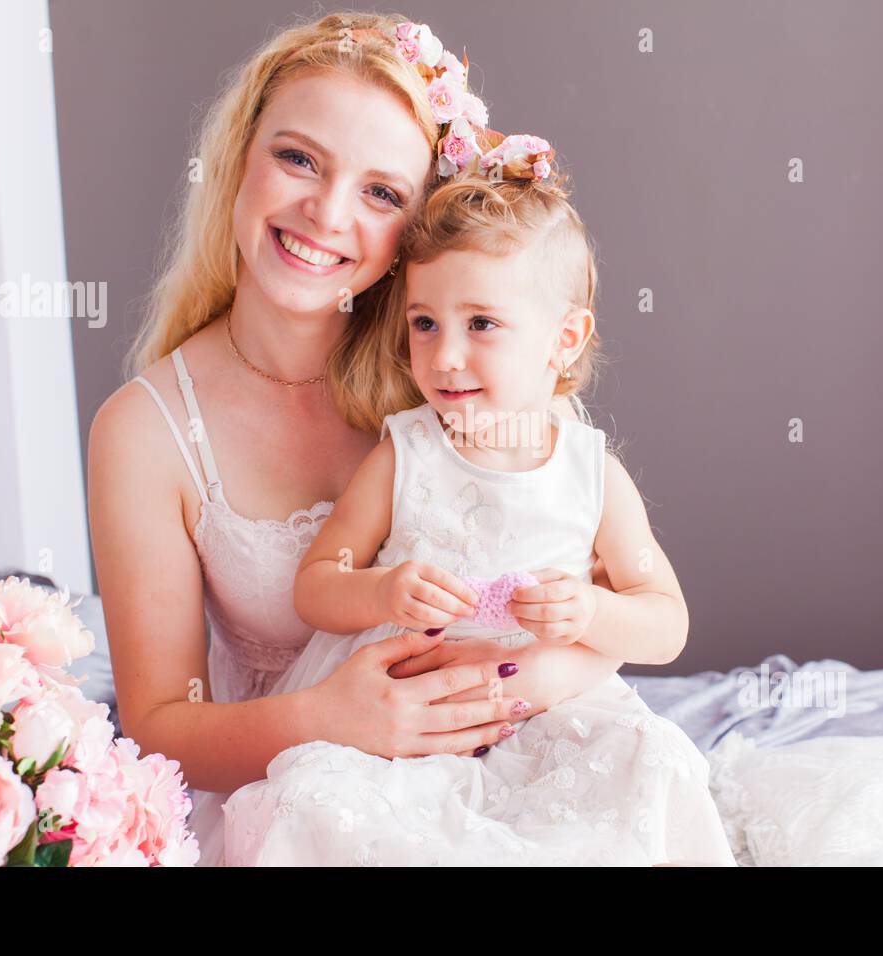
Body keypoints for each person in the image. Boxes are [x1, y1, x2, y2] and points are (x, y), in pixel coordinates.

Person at [86, 12, 627, 867]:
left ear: (416, 230)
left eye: (381, 193)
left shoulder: (451, 367)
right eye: (298, 158)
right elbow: (158, 731)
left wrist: (533, 686)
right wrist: (328, 718)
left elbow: (602, 595)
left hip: (506, 758)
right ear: (239, 157)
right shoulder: (146, 432)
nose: (327, 213)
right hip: (310, 799)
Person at [221, 156, 738, 866]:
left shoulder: (590, 475)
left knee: (654, 763)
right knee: (320, 804)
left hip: (548, 712)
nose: (444, 356)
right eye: (425, 323)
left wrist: (589, 611)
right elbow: (315, 585)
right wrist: (379, 587)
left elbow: (665, 621)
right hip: (409, 725)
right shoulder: (405, 455)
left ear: (565, 338)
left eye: (482, 324)